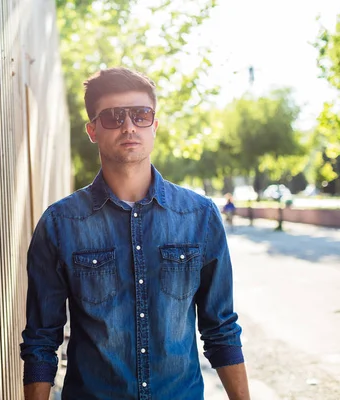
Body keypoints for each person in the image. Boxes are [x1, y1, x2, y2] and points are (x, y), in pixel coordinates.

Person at [20, 67, 250, 400]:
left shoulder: (199, 216)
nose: (129, 126)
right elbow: (42, 341)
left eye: (141, 115)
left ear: (154, 125)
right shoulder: (60, 224)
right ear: (92, 130)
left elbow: (221, 328)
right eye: (113, 117)